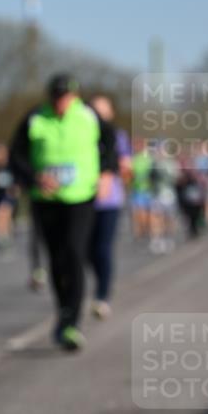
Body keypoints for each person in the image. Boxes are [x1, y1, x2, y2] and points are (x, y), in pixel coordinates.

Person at [10, 73, 117, 351]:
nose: (61, 102)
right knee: (56, 259)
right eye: (56, 97)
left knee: (74, 252)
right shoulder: (35, 118)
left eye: (66, 96)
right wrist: (35, 177)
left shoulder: (89, 116)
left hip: (80, 197)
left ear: (75, 95)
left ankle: (72, 322)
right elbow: (16, 156)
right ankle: (64, 313)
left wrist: (106, 173)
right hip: (45, 199)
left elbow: (112, 144)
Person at [87, 95, 131, 319]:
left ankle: (102, 295)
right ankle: (98, 285)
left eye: (103, 111)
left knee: (103, 249)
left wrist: (113, 173)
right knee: (86, 251)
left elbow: (125, 165)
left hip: (109, 201)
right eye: (94, 110)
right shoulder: (83, 133)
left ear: (111, 113)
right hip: (83, 200)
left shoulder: (117, 135)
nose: (98, 114)